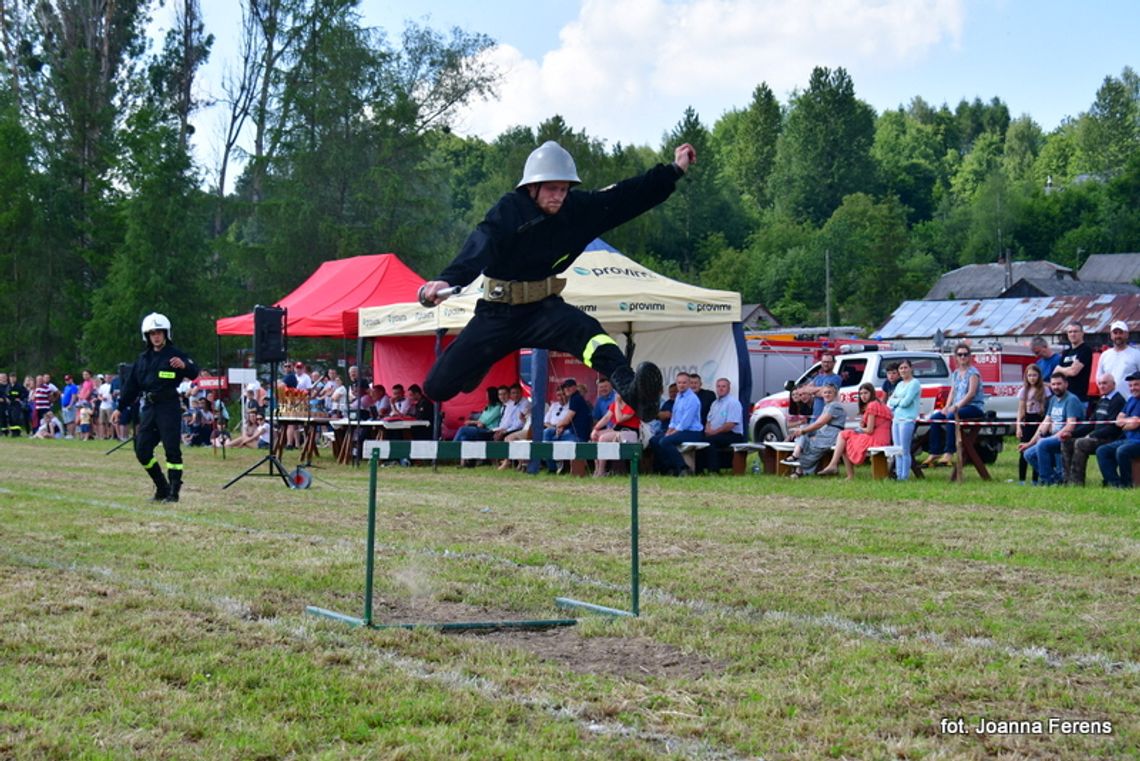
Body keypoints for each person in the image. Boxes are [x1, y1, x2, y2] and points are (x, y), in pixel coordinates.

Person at [417, 140, 698, 424]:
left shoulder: (577, 210)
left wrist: (674, 170)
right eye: (552, 189)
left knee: (592, 334)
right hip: (498, 314)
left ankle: (632, 390)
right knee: (437, 388)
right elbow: (481, 243)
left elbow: (626, 196)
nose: (559, 197)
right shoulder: (510, 209)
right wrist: (447, 280)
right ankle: (477, 365)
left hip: (544, 310)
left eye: (564, 189)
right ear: (532, 187)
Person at [113, 313, 199, 502]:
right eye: (152, 333)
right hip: (149, 408)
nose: (156, 336)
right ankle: (162, 487)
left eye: (159, 332)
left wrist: (184, 366)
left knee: (171, 449)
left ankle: (174, 492)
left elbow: (194, 372)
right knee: (142, 450)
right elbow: (131, 386)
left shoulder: (175, 355)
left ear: (166, 333)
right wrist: (120, 407)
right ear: (147, 336)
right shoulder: (143, 359)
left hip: (168, 406)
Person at [922, 343, 986, 468]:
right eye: (960, 354)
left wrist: (956, 407)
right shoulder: (956, 373)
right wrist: (946, 406)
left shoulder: (973, 373)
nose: (963, 357)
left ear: (969, 356)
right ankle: (935, 452)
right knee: (935, 417)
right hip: (957, 406)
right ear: (956, 357)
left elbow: (971, 394)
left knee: (951, 416)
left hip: (974, 407)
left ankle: (949, 452)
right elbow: (953, 391)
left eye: (965, 354)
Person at [1018, 372, 1084, 486]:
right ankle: (1055, 479)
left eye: (1059, 384)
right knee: (1028, 454)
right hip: (1053, 438)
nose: (1056, 387)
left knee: (1043, 444)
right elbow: (1044, 423)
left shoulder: (1071, 400)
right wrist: (1029, 444)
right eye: (1053, 384)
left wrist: (1051, 438)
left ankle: (1046, 481)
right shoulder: (1053, 400)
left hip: (1068, 437)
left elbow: (1070, 426)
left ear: (1066, 384)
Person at [1062, 374, 1125, 486]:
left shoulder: (1118, 400)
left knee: (1081, 443)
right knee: (1067, 442)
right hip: (1096, 437)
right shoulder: (1102, 399)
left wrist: (1092, 435)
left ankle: (1077, 482)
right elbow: (1091, 424)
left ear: (1113, 384)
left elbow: (1113, 427)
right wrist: (1071, 433)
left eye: (1105, 383)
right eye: (1100, 383)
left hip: (1109, 439)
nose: (1101, 386)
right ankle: (1067, 480)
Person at [818, 383, 892, 479]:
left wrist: (860, 429)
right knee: (844, 438)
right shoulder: (879, 404)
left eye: (866, 393)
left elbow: (869, 430)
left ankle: (839, 468)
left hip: (876, 439)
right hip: (884, 438)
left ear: (872, 393)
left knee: (844, 436)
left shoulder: (872, 405)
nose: (863, 396)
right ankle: (836, 467)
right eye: (861, 394)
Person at [648, 372, 703, 477]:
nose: (681, 385)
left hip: (692, 432)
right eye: (679, 383)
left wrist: (673, 432)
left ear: (689, 383)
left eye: (684, 382)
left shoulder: (692, 399)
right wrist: (669, 429)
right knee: (654, 441)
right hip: (679, 429)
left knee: (665, 441)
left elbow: (685, 422)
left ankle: (683, 468)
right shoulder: (678, 397)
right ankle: (670, 468)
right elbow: (674, 416)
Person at [787, 383, 846, 476]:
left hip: (832, 434)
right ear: (822, 394)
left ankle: (800, 470)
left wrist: (803, 431)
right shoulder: (828, 405)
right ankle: (796, 455)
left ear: (835, 394)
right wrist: (803, 430)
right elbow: (818, 423)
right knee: (804, 431)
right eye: (825, 392)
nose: (827, 394)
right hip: (825, 431)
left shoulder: (834, 406)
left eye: (829, 392)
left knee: (813, 446)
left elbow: (819, 423)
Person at [1094, 371, 1140, 488]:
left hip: (1137, 441)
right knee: (1102, 451)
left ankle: (1126, 484)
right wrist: (1128, 422)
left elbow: (1133, 424)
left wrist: (1126, 422)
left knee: (1122, 451)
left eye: (1136, 385)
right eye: (1130, 385)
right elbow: (1118, 419)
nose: (1133, 388)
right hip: (1128, 439)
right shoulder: (1131, 400)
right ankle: (1114, 483)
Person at [542, 378, 592, 473]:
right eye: (565, 388)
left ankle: (553, 467)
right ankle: (554, 465)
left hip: (578, 435)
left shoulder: (576, 398)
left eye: (570, 387)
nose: (567, 389)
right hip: (570, 431)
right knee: (547, 432)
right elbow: (567, 421)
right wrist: (560, 427)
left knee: (549, 440)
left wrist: (558, 426)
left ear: (575, 387)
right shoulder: (574, 398)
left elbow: (568, 419)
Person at [590, 392, 640, 477]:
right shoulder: (614, 405)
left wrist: (617, 403)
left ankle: (601, 471)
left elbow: (619, 419)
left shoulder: (632, 406)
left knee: (603, 438)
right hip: (617, 430)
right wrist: (595, 429)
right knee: (596, 436)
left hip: (629, 431)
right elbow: (606, 418)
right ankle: (597, 468)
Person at [701, 377, 744, 473]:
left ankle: (714, 470)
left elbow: (730, 425)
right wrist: (708, 430)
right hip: (717, 434)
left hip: (733, 434)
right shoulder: (715, 403)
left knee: (710, 441)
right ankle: (699, 469)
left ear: (729, 388)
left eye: (723, 386)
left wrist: (713, 433)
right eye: (718, 386)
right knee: (701, 439)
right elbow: (708, 420)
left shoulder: (733, 403)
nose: (720, 389)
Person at [1015, 364, 1050, 484]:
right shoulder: (1023, 391)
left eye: (1034, 375)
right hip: (1027, 421)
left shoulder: (1045, 390)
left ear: (1039, 376)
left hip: (1039, 420)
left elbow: (1048, 408)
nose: (1032, 378)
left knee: (1037, 450)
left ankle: (1036, 479)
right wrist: (1018, 426)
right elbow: (1020, 410)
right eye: (1029, 375)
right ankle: (1022, 479)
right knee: (1023, 450)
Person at [887, 359, 920, 480]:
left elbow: (907, 402)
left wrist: (897, 400)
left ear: (911, 368)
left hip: (907, 419)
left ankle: (904, 476)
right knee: (897, 449)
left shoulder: (914, 383)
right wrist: (897, 401)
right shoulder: (900, 384)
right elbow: (890, 402)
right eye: (901, 368)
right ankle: (898, 474)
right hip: (896, 418)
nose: (903, 370)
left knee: (905, 449)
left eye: (905, 367)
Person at [1096, 321, 1140, 390]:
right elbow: (1099, 378)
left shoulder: (1136, 354)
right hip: (1110, 399)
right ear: (1111, 335)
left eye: (1121, 333)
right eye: (1115, 333)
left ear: (1127, 334)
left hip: (1129, 399)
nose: (1118, 336)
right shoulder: (1105, 355)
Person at [1056, 323, 1093, 403]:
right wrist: (1068, 369)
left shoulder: (1085, 350)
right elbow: (1056, 372)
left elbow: (1073, 372)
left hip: (1079, 398)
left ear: (1082, 333)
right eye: (1070, 332)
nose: (1073, 334)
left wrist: (1061, 369)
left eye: (1075, 331)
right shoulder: (1066, 352)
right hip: (1064, 397)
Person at [809, 353, 842, 420]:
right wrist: (820, 389)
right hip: (815, 417)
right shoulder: (818, 377)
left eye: (828, 362)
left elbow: (825, 393)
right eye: (824, 362)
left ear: (834, 363)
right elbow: (808, 390)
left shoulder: (836, 378)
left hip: (827, 419)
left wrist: (814, 391)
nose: (826, 364)